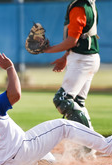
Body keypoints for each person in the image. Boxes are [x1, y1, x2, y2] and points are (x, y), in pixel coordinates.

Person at [43, 0, 100, 130]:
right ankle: (89, 145)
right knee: (77, 102)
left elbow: (72, 41)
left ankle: (90, 142)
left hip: (82, 60)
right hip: (87, 58)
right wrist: (65, 57)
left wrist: (48, 49)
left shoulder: (79, 7)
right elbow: (81, 36)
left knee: (62, 100)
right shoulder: (88, 4)